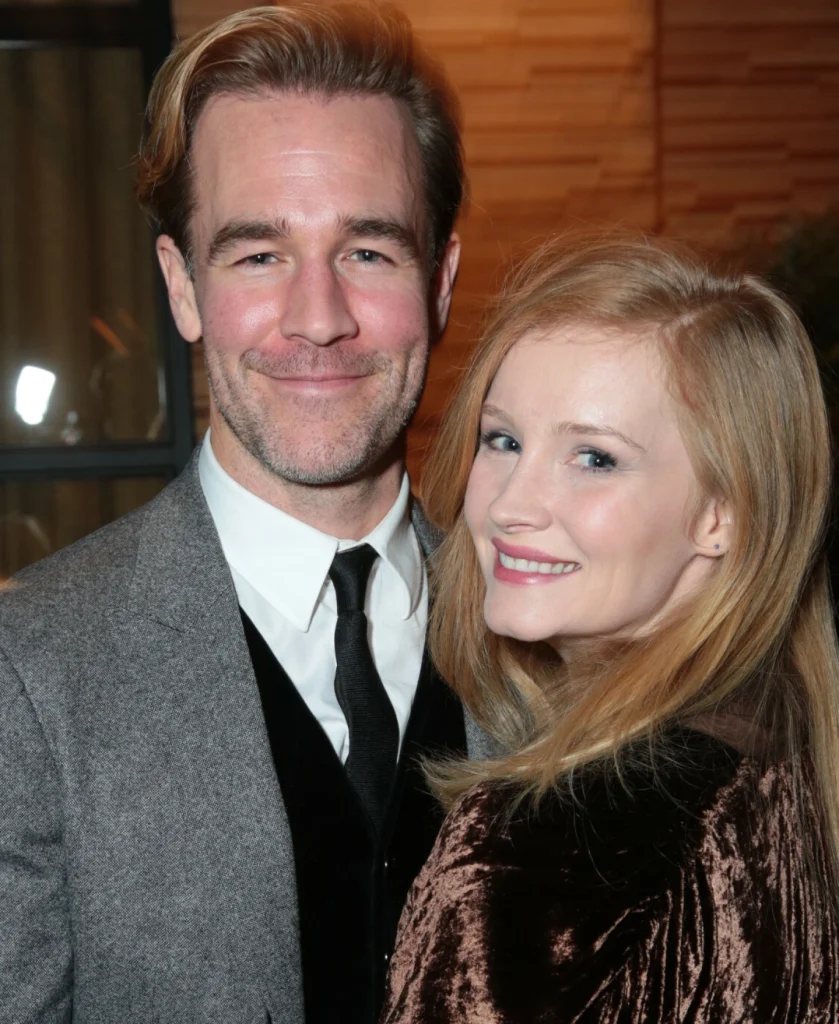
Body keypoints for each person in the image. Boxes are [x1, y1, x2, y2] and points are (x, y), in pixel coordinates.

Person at [0, 4, 494, 1022]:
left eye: (368, 251)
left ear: (440, 281)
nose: (318, 319)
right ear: (182, 287)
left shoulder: (557, 649)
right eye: (258, 254)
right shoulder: (31, 677)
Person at [381, 234, 839, 1022]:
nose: (508, 505)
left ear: (722, 514)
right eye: (503, 440)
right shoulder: (790, 746)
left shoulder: (543, 845)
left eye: (593, 458)